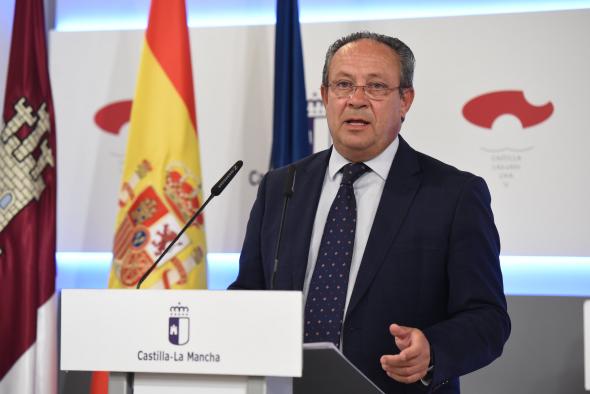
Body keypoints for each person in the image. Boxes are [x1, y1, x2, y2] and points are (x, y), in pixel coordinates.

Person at [229, 31, 510, 393]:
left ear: (405, 100)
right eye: (343, 85)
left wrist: (433, 350)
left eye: (376, 86)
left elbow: (488, 318)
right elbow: (249, 293)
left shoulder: (453, 195)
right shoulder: (281, 187)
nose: (356, 100)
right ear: (326, 96)